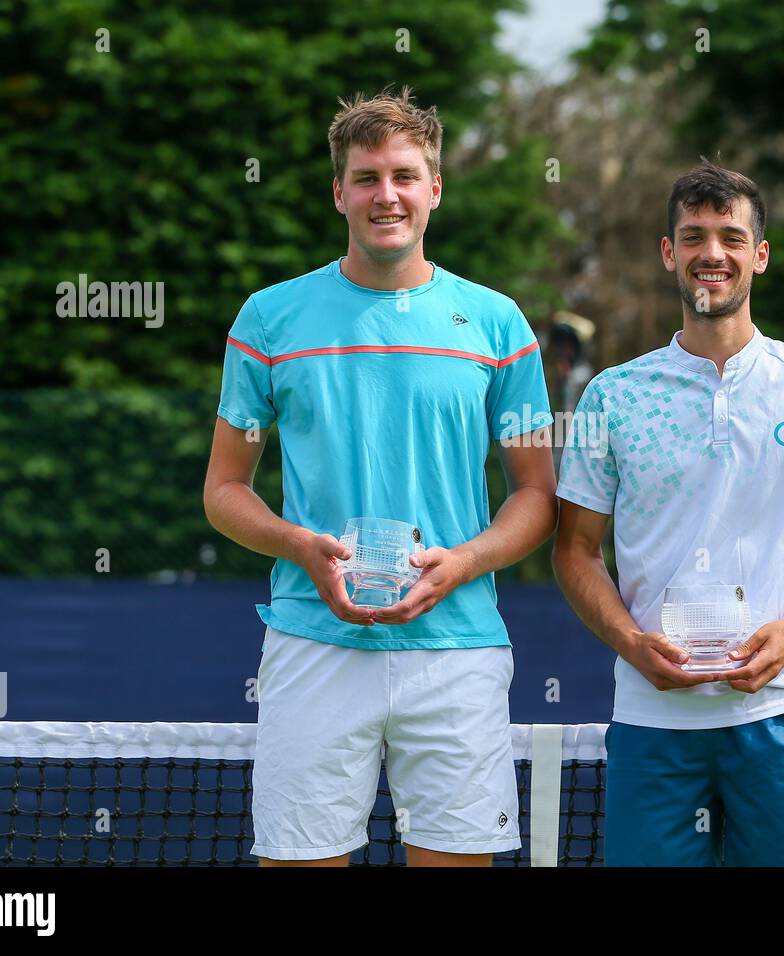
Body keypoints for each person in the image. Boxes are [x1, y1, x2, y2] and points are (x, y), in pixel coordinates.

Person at [203, 87, 556, 867]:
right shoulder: (269, 319)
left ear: (435, 188)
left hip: (458, 651)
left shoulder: (497, 323)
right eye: (366, 178)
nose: (385, 195)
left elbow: (536, 495)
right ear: (339, 192)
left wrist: (463, 562)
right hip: (311, 642)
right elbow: (224, 490)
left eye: (404, 175)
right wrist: (300, 546)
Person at [552, 158, 784, 866]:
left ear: (760, 256)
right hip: (653, 724)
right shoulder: (613, 396)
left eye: (731, 238)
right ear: (668, 253)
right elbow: (573, 550)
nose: (713, 252)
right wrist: (629, 641)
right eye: (695, 235)